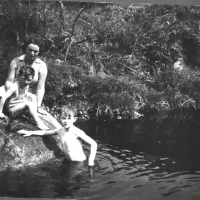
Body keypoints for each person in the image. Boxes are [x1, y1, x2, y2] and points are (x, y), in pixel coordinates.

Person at [18, 105, 98, 178]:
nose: (66, 121)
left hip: (79, 162)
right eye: (64, 118)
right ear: (60, 118)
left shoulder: (76, 132)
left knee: (68, 182)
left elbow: (94, 144)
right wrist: (30, 132)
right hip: (67, 160)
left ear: (74, 119)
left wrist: (90, 163)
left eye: (69, 119)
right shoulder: (60, 130)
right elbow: (45, 132)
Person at [4, 38, 47, 114]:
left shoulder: (42, 66)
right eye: (30, 50)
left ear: (39, 52)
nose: (32, 53)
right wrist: (11, 95)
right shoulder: (16, 61)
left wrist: (38, 106)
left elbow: (40, 88)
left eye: (35, 51)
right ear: (25, 49)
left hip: (30, 96)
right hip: (15, 92)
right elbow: (9, 81)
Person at [0, 65, 48, 130]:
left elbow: (24, 94)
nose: (26, 82)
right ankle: (38, 123)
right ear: (18, 76)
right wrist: (0, 112)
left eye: (29, 80)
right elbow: (4, 97)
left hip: (19, 105)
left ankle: (34, 114)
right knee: (28, 103)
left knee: (33, 96)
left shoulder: (26, 85)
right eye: (23, 79)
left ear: (32, 78)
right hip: (13, 110)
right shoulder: (15, 86)